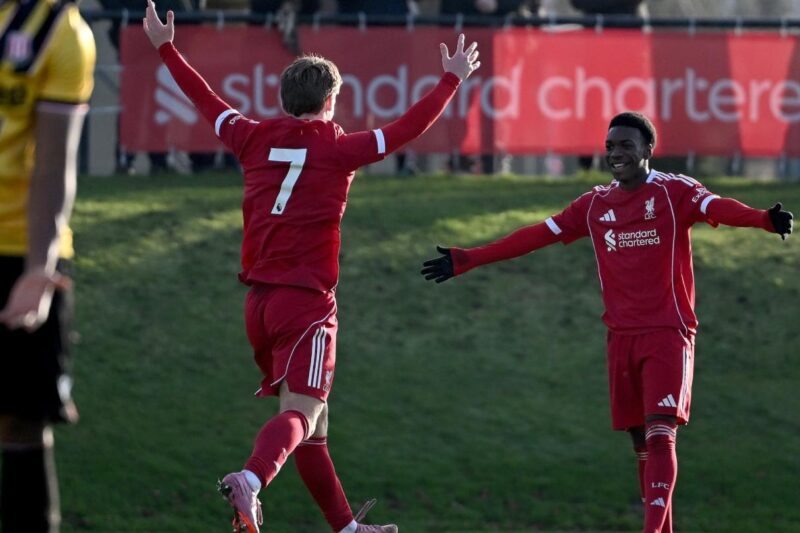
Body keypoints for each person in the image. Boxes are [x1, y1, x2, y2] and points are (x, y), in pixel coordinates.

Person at [142, 2, 480, 531]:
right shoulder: (339, 148)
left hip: (260, 304)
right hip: (306, 303)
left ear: (283, 100)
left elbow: (205, 98)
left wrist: (166, 47)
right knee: (300, 413)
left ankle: (346, 527)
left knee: (312, 427)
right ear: (330, 101)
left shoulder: (250, 136)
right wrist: (452, 79)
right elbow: (408, 128)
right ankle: (250, 480)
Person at [421, 112, 793, 533]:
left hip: (667, 331)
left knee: (660, 433)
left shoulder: (674, 191)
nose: (616, 153)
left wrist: (762, 219)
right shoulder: (595, 205)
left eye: (626, 145)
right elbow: (536, 235)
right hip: (620, 336)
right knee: (640, 440)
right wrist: (469, 259)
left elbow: (717, 207)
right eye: (610, 146)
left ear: (648, 149)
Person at [0, 0, 96, 530]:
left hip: (19, 245)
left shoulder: (62, 31)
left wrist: (39, 270)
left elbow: (56, 163)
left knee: (22, 420)